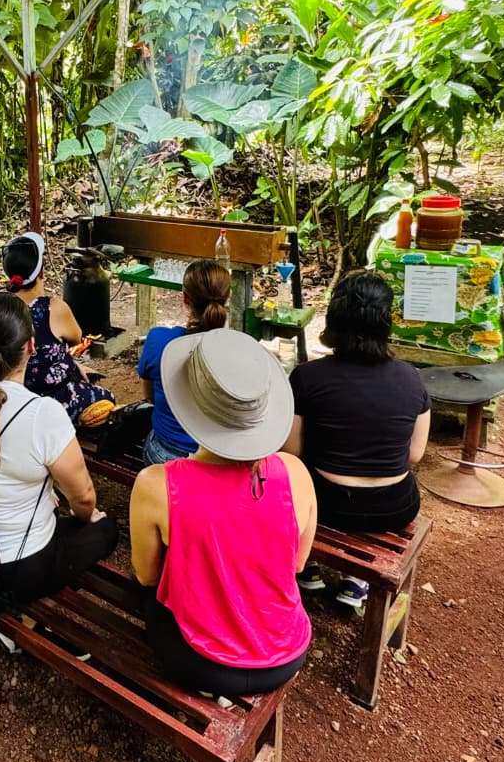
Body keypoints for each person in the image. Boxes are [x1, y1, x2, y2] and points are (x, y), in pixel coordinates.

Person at [129, 328, 316, 696]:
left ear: (188, 406)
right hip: (284, 654)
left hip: (199, 661)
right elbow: (296, 564)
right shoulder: (295, 473)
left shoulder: (155, 485)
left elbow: (147, 575)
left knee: (143, 593)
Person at [0, 292, 118, 610]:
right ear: (31, 346)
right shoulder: (41, 413)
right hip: (17, 568)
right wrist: (87, 516)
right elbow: (84, 498)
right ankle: (35, 617)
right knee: (105, 529)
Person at [284, 269, 431, 609]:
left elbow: (292, 450)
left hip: (326, 504)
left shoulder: (308, 377)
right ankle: (355, 580)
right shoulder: (412, 379)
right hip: (394, 507)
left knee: (283, 472)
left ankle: (309, 566)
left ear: (333, 319)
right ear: (385, 322)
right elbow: (415, 455)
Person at [2, 232, 114, 426]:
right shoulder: (53, 308)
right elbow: (77, 339)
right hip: (49, 399)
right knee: (107, 397)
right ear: (42, 273)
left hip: (8, 395)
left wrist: (73, 365)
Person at [136, 260, 231, 466]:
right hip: (220, 457)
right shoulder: (237, 350)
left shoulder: (158, 340)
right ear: (228, 296)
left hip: (167, 453)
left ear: (185, 298)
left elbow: (148, 395)